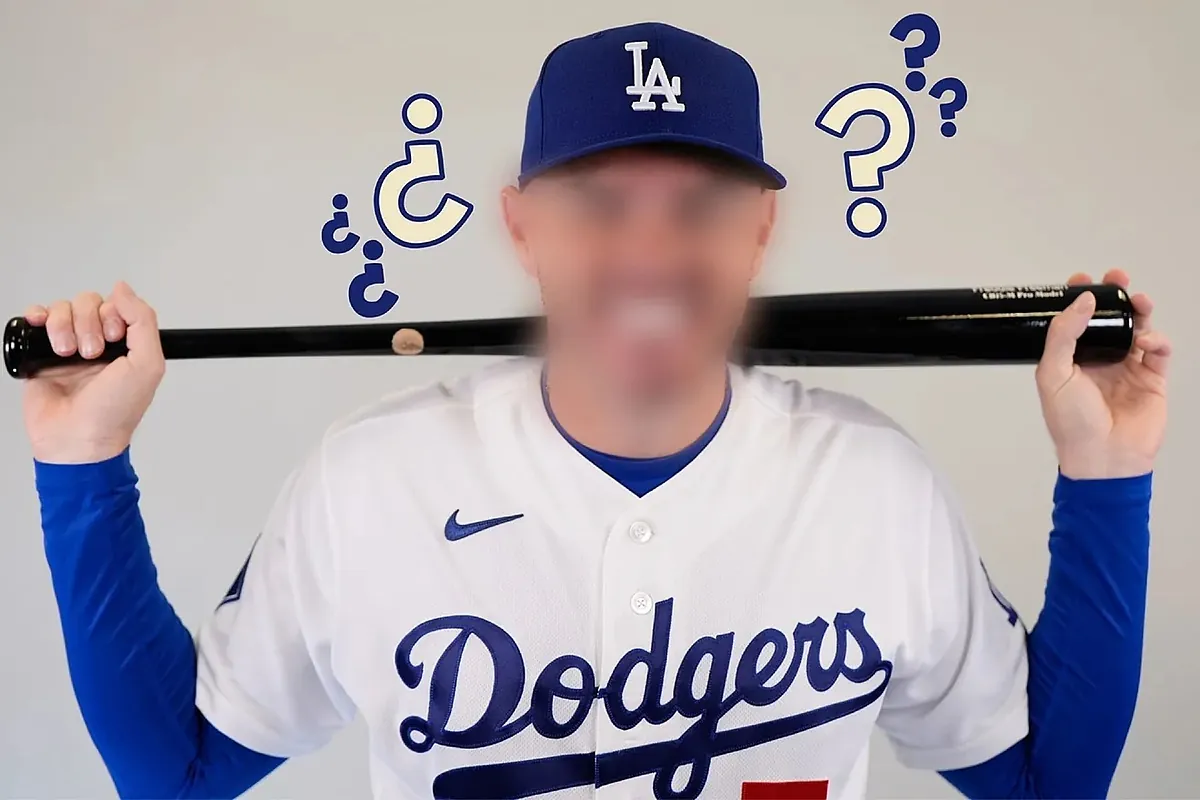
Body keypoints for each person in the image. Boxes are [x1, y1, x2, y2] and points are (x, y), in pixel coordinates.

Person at [23, 21, 1169, 800]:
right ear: (522, 225)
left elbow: (1048, 782)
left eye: (699, 204)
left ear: (761, 228)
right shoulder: (370, 479)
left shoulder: (875, 484)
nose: (650, 251)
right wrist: (83, 461)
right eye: (600, 203)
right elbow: (174, 771)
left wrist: (1106, 474)